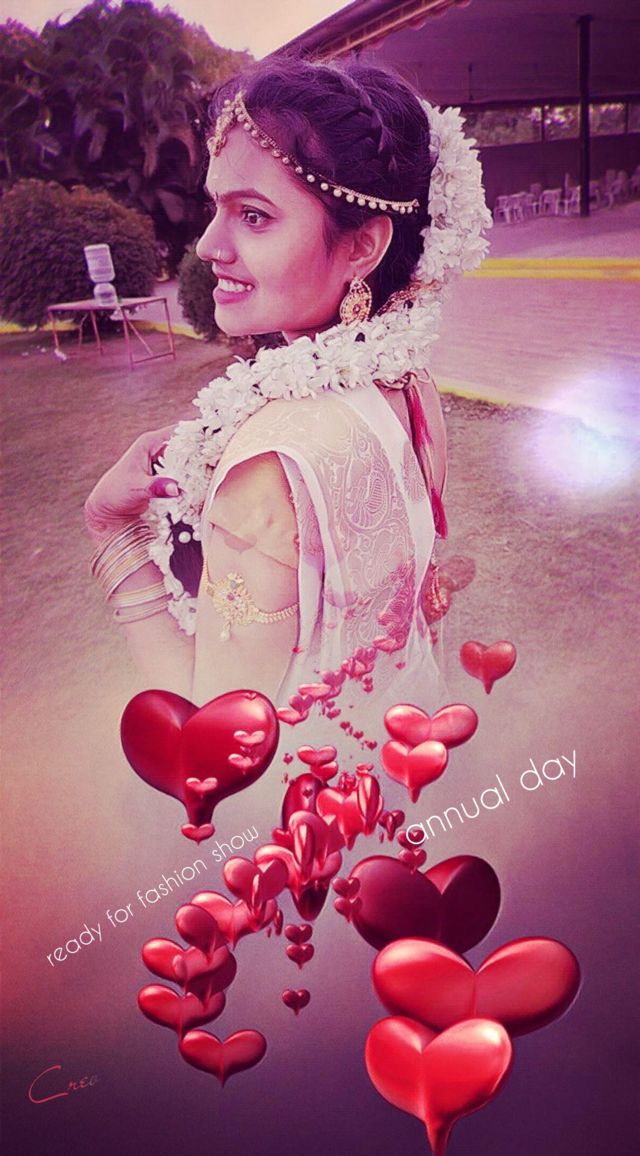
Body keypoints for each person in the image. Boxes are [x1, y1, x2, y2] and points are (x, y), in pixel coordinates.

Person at [84, 57, 491, 766]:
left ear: (362, 245)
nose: (208, 246)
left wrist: (111, 532)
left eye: (253, 215)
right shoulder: (407, 382)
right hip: (404, 753)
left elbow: (212, 748)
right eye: (217, 207)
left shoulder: (267, 467)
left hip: (309, 815)